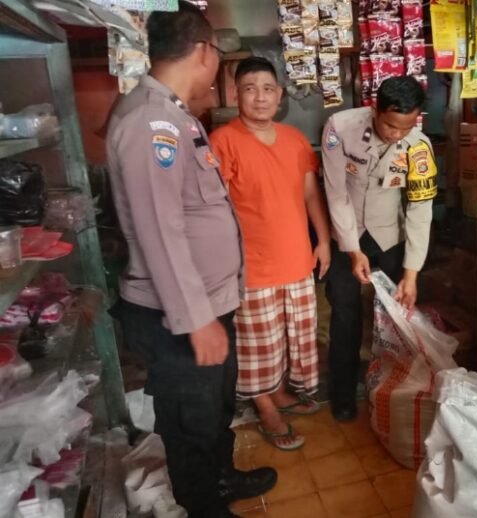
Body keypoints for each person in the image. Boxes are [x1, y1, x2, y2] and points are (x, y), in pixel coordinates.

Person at [106, 4, 276, 517]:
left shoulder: (174, 116)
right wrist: (196, 318)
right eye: (219, 55)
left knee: (215, 406)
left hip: (205, 303)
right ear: (204, 52)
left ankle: (221, 479)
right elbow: (160, 230)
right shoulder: (150, 121)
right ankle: (204, 506)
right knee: (191, 419)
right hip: (178, 315)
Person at [210, 57, 331, 451]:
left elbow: (310, 193)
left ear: (280, 95)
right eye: (250, 89)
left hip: (297, 259)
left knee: (292, 338)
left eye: (267, 89)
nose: (259, 97)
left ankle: (278, 391)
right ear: (236, 95)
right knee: (258, 345)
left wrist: (323, 240)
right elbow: (214, 208)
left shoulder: (295, 139)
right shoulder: (223, 141)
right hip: (252, 266)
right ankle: (265, 407)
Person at [321, 76, 437, 422]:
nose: (397, 134)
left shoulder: (418, 146)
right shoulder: (340, 128)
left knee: (394, 316)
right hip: (347, 233)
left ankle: (390, 389)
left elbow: (420, 210)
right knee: (345, 314)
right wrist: (351, 249)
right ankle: (343, 394)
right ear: (375, 110)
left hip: (389, 234)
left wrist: (411, 274)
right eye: (390, 125)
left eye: (406, 127)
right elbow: (336, 194)